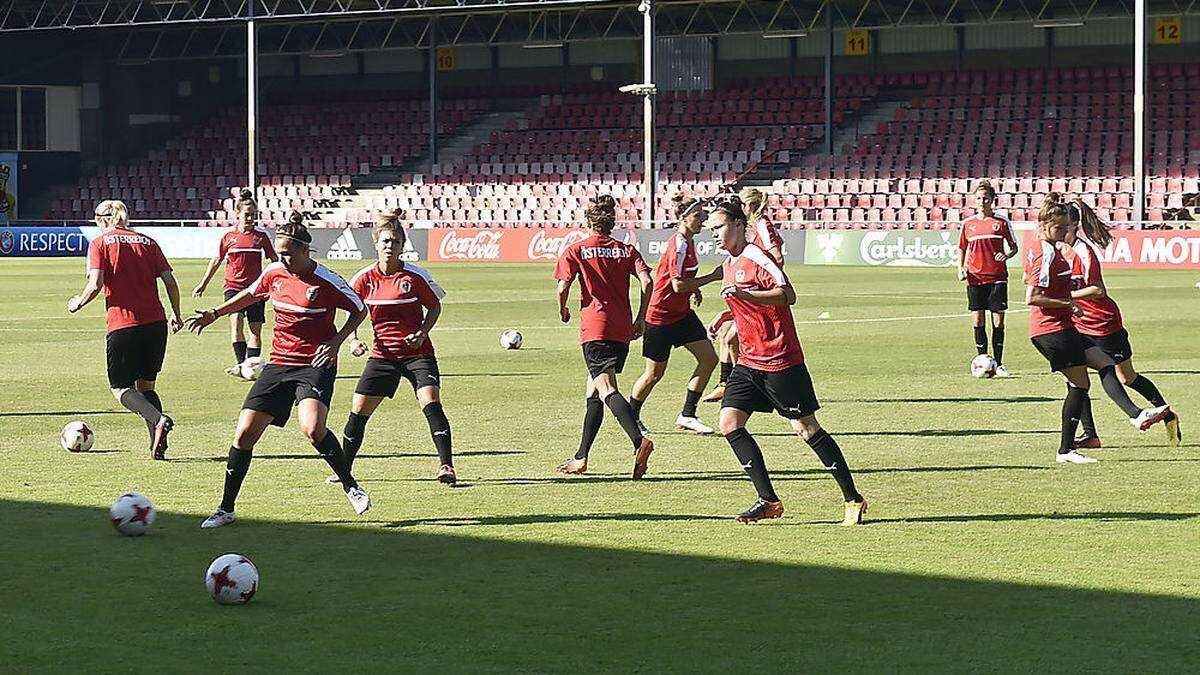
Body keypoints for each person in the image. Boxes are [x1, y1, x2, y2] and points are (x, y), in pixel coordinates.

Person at [184, 212, 371, 527]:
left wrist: (338, 342)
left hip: (314, 364)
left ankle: (350, 485)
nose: (282, 258)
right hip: (279, 364)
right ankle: (226, 509)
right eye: (279, 252)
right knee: (244, 434)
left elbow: (359, 309)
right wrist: (215, 313)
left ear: (304, 250)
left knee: (312, 429)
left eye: (288, 253)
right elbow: (250, 294)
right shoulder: (274, 273)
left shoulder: (327, 281)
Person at [706, 197, 866, 525]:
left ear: (738, 224)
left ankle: (853, 497)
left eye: (719, 227)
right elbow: (743, 303)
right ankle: (768, 500)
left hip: (780, 360)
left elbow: (787, 294)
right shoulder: (728, 264)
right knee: (729, 424)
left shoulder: (756, 257)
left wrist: (747, 295)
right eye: (710, 230)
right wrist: (726, 316)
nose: (714, 234)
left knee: (806, 429)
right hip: (749, 362)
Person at [1024, 203, 1171, 465]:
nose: (1063, 230)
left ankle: (1136, 416)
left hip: (1095, 323)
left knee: (1111, 371)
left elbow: (1096, 289)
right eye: (1059, 226)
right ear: (1046, 226)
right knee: (1079, 383)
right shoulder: (1047, 251)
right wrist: (1067, 301)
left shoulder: (1073, 251)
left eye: (1065, 226)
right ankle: (1070, 448)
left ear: (1073, 226)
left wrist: (1065, 296)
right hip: (1058, 327)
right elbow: (1034, 293)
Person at [337, 208, 456, 485]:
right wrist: (353, 339)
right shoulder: (364, 278)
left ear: (403, 246)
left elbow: (435, 306)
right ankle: (343, 470)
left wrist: (422, 332)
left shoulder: (414, 276)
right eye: (386, 241)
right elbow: (352, 311)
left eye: (396, 242)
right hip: (383, 355)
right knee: (358, 410)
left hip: (418, 355)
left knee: (431, 401)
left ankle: (446, 466)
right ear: (376, 243)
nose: (390, 246)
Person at [67, 200, 183, 460]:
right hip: (156, 324)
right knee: (146, 386)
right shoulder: (148, 242)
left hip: (124, 324)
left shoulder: (99, 244)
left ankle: (158, 420)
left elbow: (95, 284)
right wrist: (177, 314)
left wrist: (78, 302)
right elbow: (170, 282)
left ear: (103, 219)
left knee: (120, 388)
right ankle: (157, 444)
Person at [554, 195, 656, 478]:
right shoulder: (626, 250)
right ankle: (581, 457)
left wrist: (563, 309)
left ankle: (639, 440)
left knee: (607, 388)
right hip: (622, 328)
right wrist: (640, 318)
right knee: (593, 390)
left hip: (595, 328)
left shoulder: (576, 250)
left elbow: (563, 287)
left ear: (588, 222)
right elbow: (648, 281)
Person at [627, 194, 722, 435]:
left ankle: (687, 415)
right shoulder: (678, 244)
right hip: (660, 317)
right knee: (654, 374)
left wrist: (696, 288)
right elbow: (678, 285)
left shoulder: (688, 241)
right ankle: (631, 417)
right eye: (698, 216)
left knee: (709, 358)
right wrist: (712, 277)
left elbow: (683, 280)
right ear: (683, 218)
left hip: (681, 314)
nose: (703, 220)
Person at [703, 186, 783, 403]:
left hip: (761, 295)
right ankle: (729, 383)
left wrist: (763, 275)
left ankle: (743, 383)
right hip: (751, 289)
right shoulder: (750, 232)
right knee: (727, 336)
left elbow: (776, 256)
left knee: (729, 338)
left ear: (751, 206)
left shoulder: (762, 224)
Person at [192, 189, 278, 376]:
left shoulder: (261, 236)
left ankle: (252, 366)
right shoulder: (228, 237)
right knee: (236, 324)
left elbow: (274, 260)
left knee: (255, 330)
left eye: (253, 215)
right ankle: (241, 366)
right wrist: (203, 283)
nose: (250, 218)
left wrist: (276, 283)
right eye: (247, 214)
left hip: (256, 290)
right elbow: (217, 260)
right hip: (233, 287)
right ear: (238, 213)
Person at [957, 180, 1018, 377]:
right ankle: (982, 360)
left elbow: (1014, 247)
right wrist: (960, 268)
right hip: (975, 277)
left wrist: (1006, 255)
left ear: (992, 200)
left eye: (985, 198)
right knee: (977, 319)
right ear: (974, 200)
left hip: (997, 277)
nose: (982, 202)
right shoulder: (968, 224)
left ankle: (999, 364)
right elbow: (962, 248)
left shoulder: (1001, 223)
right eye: (978, 198)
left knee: (998, 322)